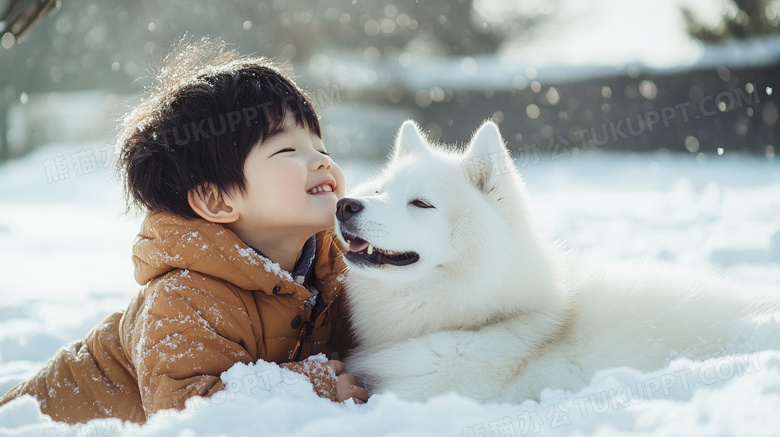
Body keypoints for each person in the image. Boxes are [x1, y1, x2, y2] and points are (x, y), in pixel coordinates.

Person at [0, 38, 367, 424]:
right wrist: (308, 388)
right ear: (217, 202)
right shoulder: (184, 298)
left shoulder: (333, 272)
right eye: (286, 151)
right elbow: (188, 412)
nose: (322, 162)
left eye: (321, 148)